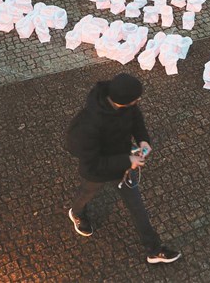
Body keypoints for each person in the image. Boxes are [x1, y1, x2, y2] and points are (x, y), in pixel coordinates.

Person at [66, 73, 182, 264]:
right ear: (123, 101)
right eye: (136, 99)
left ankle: (153, 250)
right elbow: (93, 162)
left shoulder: (126, 104)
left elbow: (136, 119)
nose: (138, 101)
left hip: (123, 165)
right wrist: (128, 160)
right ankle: (77, 213)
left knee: (137, 207)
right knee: (86, 193)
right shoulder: (89, 125)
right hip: (97, 171)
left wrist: (143, 140)